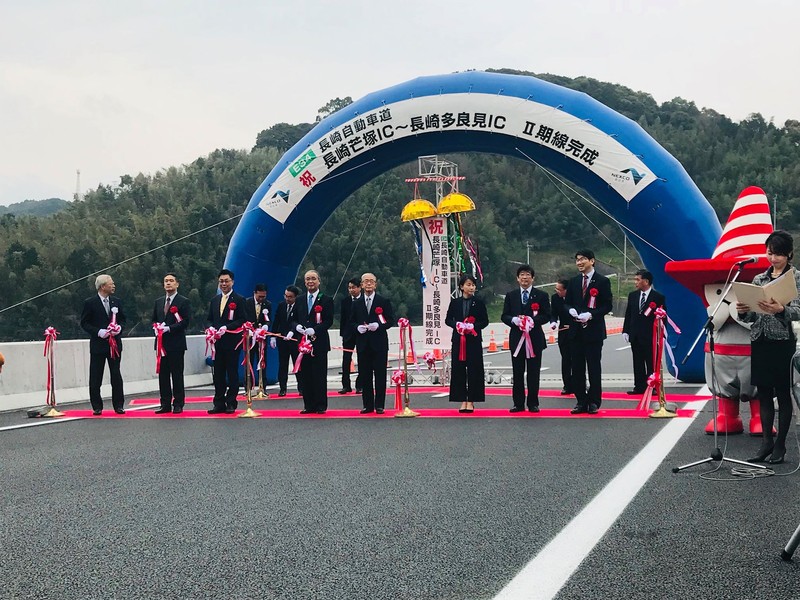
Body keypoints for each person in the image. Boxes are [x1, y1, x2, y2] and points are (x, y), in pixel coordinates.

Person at [736, 230, 800, 464]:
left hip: (782, 341)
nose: (773, 258)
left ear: (789, 254)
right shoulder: (759, 279)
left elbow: (798, 311)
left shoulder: (796, 278)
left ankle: (780, 445)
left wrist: (782, 310)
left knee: (782, 393)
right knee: (763, 393)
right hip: (760, 339)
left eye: (778, 254)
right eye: (770, 253)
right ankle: (766, 443)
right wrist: (743, 311)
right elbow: (752, 316)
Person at [564, 249, 613, 415]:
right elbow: (567, 303)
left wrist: (591, 315)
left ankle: (594, 401)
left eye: (583, 259)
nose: (579, 262)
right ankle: (581, 401)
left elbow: (607, 305)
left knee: (593, 368)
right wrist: (570, 310)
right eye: (577, 260)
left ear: (592, 261)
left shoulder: (602, 281)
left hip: (593, 332)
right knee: (577, 368)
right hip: (576, 332)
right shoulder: (573, 281)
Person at [501, 265, 551, 413]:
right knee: (517, 373)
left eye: (528, 275)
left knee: (534, 372)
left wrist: (532, 321)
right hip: (517, 340)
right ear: (517, 278)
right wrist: (514, 320)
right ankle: (518, 403)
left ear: (532, 278)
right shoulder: (511, 295)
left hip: (534, 339)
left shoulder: (541, 295)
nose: (525, 277)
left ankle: (533, 403)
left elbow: (547, 315)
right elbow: (504, 315)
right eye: (522, 275)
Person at [80, 274, 127, 415]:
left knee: (116, 375)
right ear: (102, 286)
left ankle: (119, 405)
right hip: (98, 345)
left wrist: (119, 328)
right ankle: (97, 406)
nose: (113, 286)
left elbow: (123, 319)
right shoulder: (90, 303)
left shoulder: (116, 301)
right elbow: (84, 323)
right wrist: (98, 332)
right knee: (96, 376)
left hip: (115, 345)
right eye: (111, 283)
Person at [350, 272, 394, 414]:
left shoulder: (383, 301)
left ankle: (379, 405)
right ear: (362, 285)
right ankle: (367, 405)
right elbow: (350, 322)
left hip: (379, 344)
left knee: (380, 375)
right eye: (366, 281)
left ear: (375, 284)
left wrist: (379, 326)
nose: (368, 283)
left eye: (371, 281)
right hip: (363, 344)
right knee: (365, 375)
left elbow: (390, 321)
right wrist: (357, 327)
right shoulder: (356, 303)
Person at [445, 274, 489, 413]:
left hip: (473, 341)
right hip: (458, 340)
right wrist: (457, 325)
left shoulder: (479, 302)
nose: (471, 287)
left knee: (474, 370)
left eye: (473, 285)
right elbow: (448, 320)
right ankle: (462, 399)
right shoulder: (455, 303)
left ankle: (471, 400)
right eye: (468, 284)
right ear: (461, 286)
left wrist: (473, 326)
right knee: (458, 370)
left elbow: (485, 321)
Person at [206, 269, 247, 414]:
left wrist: (227, 327)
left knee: (232, 372)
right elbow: (210, 319)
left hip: (232, 342)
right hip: (217, 343)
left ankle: (231, 402)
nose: (224, 284)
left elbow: (242, 319)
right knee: (218, 374)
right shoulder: (215, 300)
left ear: (232, 282)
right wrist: (211, 328)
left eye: (226, 281)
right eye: (221, 281)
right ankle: (218, 403)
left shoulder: (239, 299)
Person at [295, 270, 334, 414]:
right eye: (307, 279)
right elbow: (294, 319)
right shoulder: (300, 300)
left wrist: (315, 330)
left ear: (319, 281)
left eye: (313, 279)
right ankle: (308, 405)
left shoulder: (326, 299)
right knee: (306, 375)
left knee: (319, 375)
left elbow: (329, 321)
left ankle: (321, 405)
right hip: (303, 343)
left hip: (319, 343)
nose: (310, 281)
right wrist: (296, 327)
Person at [151, 273, 191, 414]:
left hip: (176, 343)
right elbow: (154, 319)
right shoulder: (158, 302)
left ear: (177, 284)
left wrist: (169, 328)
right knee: (163, 375)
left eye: (171, 281)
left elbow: (185, 322)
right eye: (166, 281)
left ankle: (178, 403)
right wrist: (156, 327)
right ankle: (165, 403)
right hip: (161, 344)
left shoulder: (183, 301)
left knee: (177, 374)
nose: (168, 283)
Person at [622, 269, 666, 395]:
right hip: (635, 335)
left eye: (638, 280)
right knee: (637, 362)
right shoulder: (633, 296)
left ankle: (652, 386)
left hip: (650, 336)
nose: (635, 282)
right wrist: (626, 331)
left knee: (651, 362)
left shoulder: (658, 297)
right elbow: (628, 314)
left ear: (646, 281)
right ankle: (639, 386)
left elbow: (663, 316)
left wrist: (661, 333)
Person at [271, 285, 302, 397]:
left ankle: (301, 387)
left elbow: (299, 321)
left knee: (297, 364)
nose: (287, 299)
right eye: (286, 296)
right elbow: (276, 321)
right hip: (283, 340)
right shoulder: (281, 305)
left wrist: (292, 332)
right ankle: (282, 388)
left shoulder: (300, 306)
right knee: (283, 365)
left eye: (290, 297)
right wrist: (273, 335)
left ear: (295, 297)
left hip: (295, 340)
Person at [338, 277, 363, 394]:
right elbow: (343, 319)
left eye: (353, 287)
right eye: (349, 288)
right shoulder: (345, 301)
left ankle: (360, 384)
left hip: (360, 333)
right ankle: (346, 385)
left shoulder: (363, 300)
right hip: (348, 334)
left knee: (362, 359)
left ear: (359, 287)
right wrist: (342, 333)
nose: (351, 290)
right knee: (346, 359)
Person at [245, 283, 272, 386]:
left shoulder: (267, 304)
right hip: (250, 337)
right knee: (249, 362)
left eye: (263, 297)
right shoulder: (247, 303)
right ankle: (248, 386)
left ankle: (263, 386)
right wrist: (248, 329)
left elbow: (268, 319)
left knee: (262, 361)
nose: (261, 299)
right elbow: (244, 318)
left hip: (261, 338)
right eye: (259, 296)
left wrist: (266, 326)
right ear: (254, 293)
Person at [549, 278, 573, 396]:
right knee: (565, 359)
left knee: (577, 360)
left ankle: (580, 383)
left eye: (559, 289)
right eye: (556, 289)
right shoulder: (555, 298)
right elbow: (553, 313)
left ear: (566, 290)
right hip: (563, 331)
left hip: (575, 330)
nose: (557, 291)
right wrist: (553, 321)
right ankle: (567, 385)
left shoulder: (574, 296)